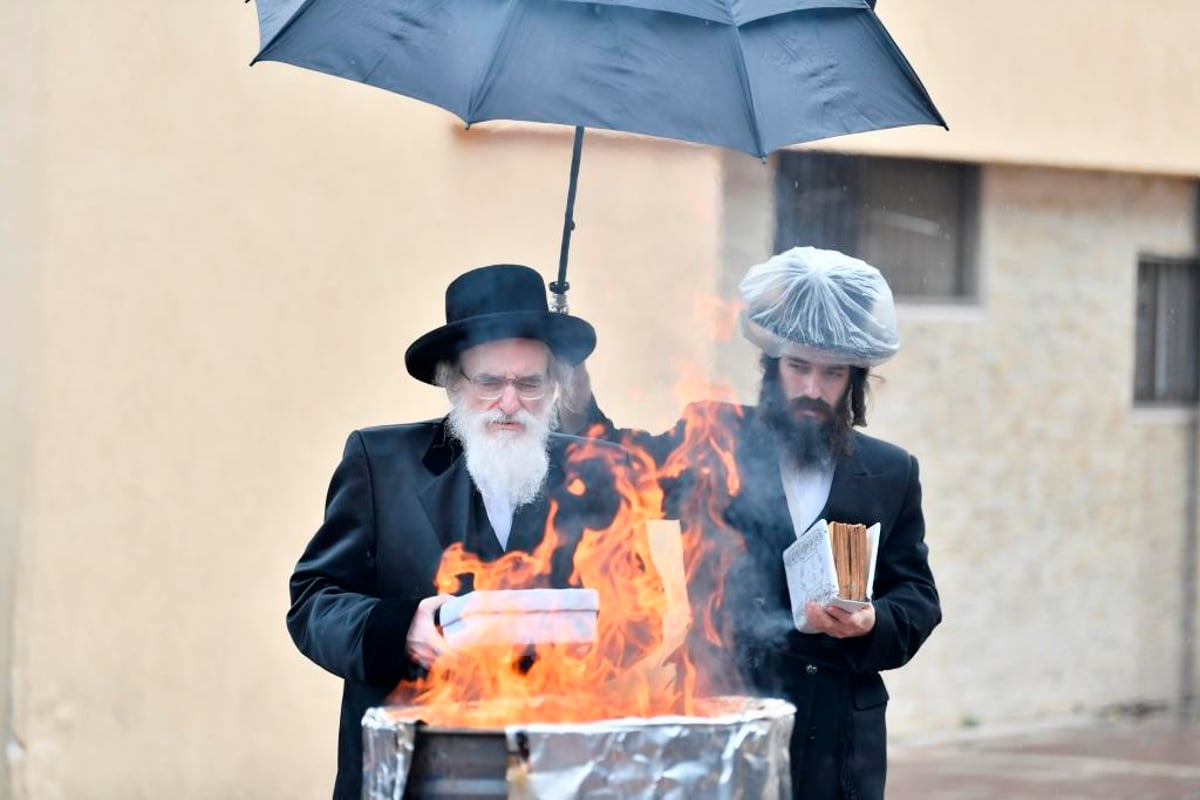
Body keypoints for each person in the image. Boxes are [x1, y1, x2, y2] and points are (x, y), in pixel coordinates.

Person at [576, 246, 941, 800]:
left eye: (832, 373)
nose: (813, 389)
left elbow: (916, 596)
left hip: (840, 738)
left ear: (854, 381)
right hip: (730, 708)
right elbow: (622, 466)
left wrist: (872, 621)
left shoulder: (891, 471)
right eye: (798, 367)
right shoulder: (713, 438)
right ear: (772, 366)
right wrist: (569, 375)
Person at [287, 264, 661, 800]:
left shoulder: (598, 470)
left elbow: (643, 614)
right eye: (489, 382)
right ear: (452, 381)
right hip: (417, 772)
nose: (510, 404)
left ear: (553, 385)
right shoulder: (379, 463)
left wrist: (578, 639)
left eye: (529, 383)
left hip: (555, 771)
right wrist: (401, 629)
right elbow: (313, 602)